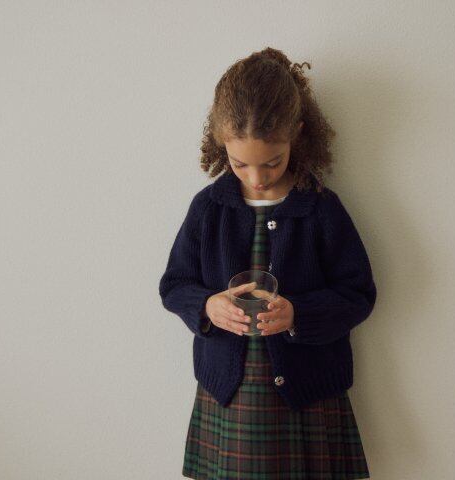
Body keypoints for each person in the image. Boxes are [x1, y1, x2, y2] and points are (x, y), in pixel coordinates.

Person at [158, 46, 377, 480]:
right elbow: (175, 283)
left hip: (307, 396)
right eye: (240, 164)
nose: (257, 178)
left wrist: (299, 315)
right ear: (220, 143)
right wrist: (207, 306)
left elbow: (358, 294)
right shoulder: (208, 208)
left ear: (297, 135)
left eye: (272, 162)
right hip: (230, 395)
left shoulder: (320, 208)